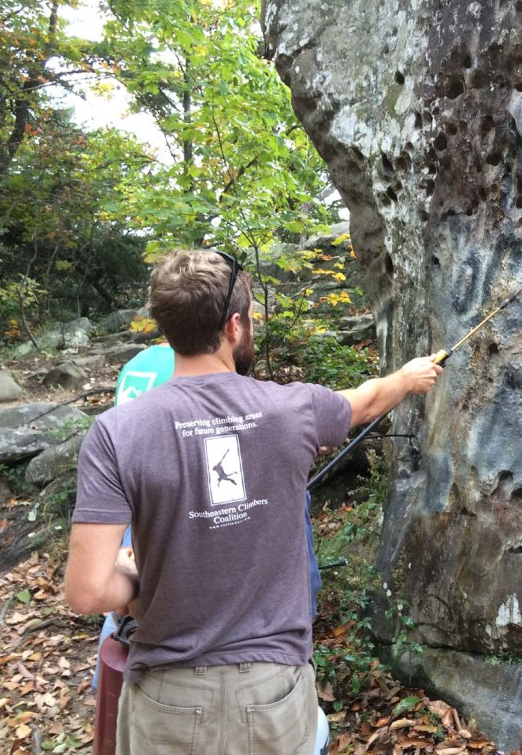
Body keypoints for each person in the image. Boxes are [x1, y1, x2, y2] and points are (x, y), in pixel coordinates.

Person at [65, 248, 442, 755]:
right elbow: (369, 399)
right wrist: (411, 376)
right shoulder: (293, 408)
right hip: (273, 694)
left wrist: (135, 576)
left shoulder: (116, 433)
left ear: (167, 328)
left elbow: (87, 593)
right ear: (236, 326)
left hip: (167, 699)